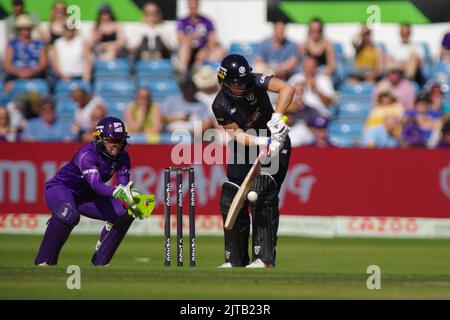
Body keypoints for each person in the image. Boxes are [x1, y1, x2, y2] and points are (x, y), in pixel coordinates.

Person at [35, 116, 153, 266]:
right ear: (100, 139)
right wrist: (118, 193)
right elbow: (96, 185)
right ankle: (44, 263)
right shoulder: (87, 154)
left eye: (120, 140)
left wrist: (130, 196)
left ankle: (100, 262)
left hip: (86, 197)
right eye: (112, 140)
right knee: (68, 215)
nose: (117, 145)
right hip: (61, 188)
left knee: (126, 212)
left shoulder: (123, 156)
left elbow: (123, 183)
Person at [212, 54, 294, 268]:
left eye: (243, 82)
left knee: (262, 190)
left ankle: (263, 258)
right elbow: (237, 135)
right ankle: (234, 259)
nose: (241, 87)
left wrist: (276, 118)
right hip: (248, 144)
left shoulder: (255, 81)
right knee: (231, 193)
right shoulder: (219, 104)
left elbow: (287, 89)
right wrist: (261, 141)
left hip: (278, 143)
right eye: (235, 84)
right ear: (225, 82)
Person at [176, 0, 226, 74]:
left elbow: (213, 39)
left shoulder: (207, 21)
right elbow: (180, 39)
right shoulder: (182, 21)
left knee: (221, 50)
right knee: (185, 45)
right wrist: (192, 37)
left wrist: (206, 49)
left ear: (198, 5)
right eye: (191, 5)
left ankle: (205, 72)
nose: (193, 7)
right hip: (188, 50)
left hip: (203, 50)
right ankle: (182, 72)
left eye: (194, 5)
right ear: (188, 6)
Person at [3, 15, 48, 92]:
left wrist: (31, 73)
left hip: (36, 76)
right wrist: (20, 73)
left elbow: (43, 63)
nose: (25, 31)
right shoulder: (12, 44)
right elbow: (7, 64)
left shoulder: (39, 43)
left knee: (42, 90)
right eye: (22, 29)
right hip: (15, 77)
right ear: (18, 30)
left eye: (27, 29)